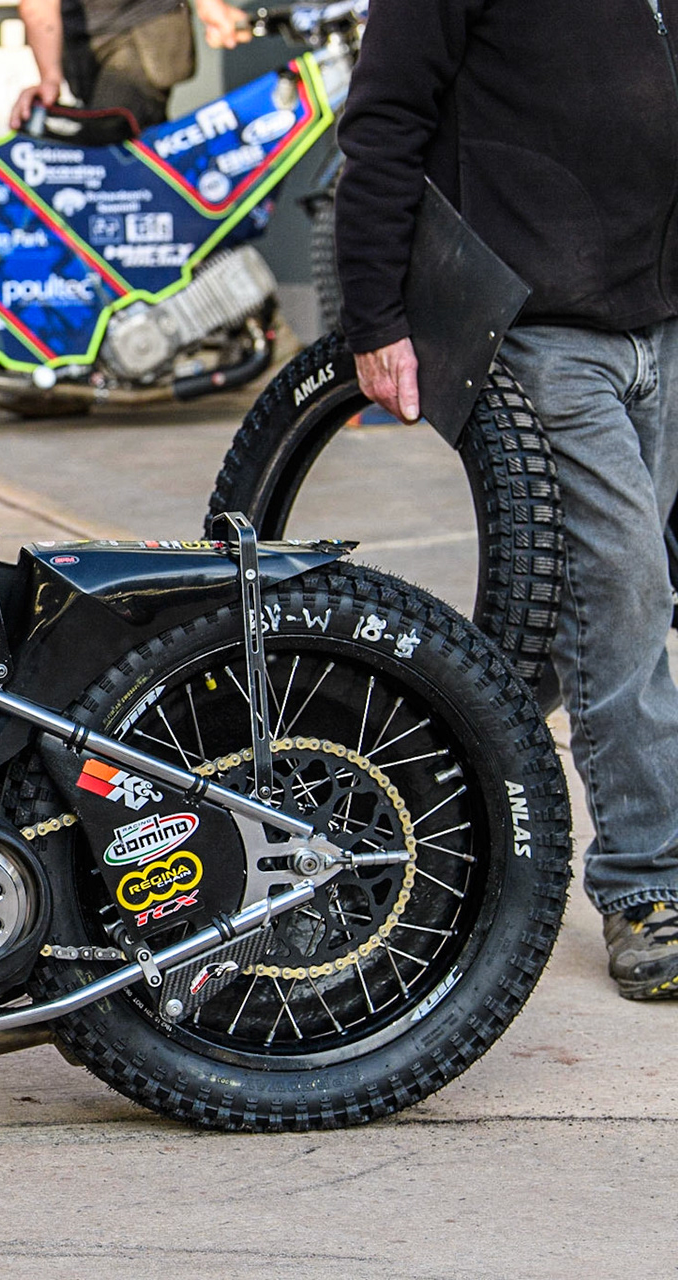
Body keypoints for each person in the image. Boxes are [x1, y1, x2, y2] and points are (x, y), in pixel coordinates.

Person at [337, 0, 678, 1001]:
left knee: (562, 626)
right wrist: (372, 314)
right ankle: (651, 883)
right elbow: (386, 122)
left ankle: (381, 809)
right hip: (537, 328)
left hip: (660, 319)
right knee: (621, 597)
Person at [8, 0, 251, 133]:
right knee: (128, 140)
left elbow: (37, 7)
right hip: (88, 42)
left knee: (115, 142)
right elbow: (37, 7)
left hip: (146, 28)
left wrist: (210, 5)